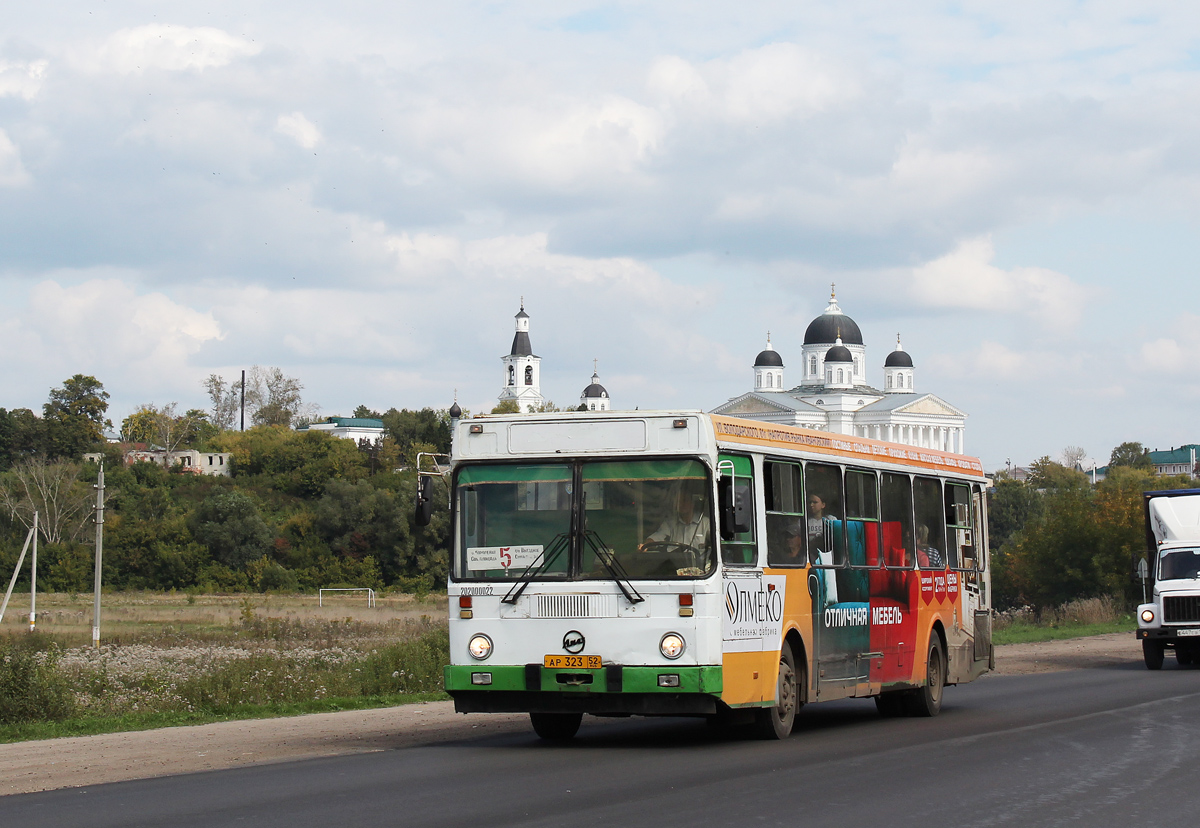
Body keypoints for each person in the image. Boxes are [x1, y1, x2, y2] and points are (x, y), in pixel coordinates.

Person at [640, 480, 710, 552]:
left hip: (699, 563)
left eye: (684, 500)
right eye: (678, 501)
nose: (681, 504)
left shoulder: (706, 523)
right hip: (674, 562)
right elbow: (658, 536)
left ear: (692, 503)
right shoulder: (670, 523)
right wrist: (646, 545)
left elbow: (718, 541)